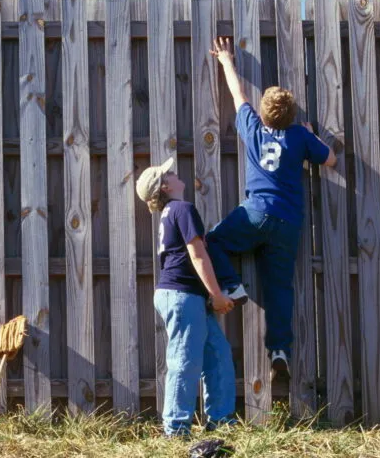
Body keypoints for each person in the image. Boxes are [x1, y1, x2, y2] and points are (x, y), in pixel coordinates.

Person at [206, 37, 337, 380]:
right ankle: (279, 348)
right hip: (288, 222)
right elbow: (332, 160)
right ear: (293, 117)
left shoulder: (252, 128)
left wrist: (226, 61)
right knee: (279, 286)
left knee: (214, 241)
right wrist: (312, 134)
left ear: (263, 113)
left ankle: (232, 285)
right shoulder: (299, 137)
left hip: (256, 212)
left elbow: (238, 95)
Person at [136, 157, 237, 437]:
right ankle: (176, 428)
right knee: (185, 359)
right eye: (169, 172)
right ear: (165, 186)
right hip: (182, 296)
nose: (175, 172)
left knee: (218, 354)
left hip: (184, 295)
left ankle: (221, 422)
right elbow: (197, 254)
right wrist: (216, 294)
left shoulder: (171, 212)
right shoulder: (182, 208)